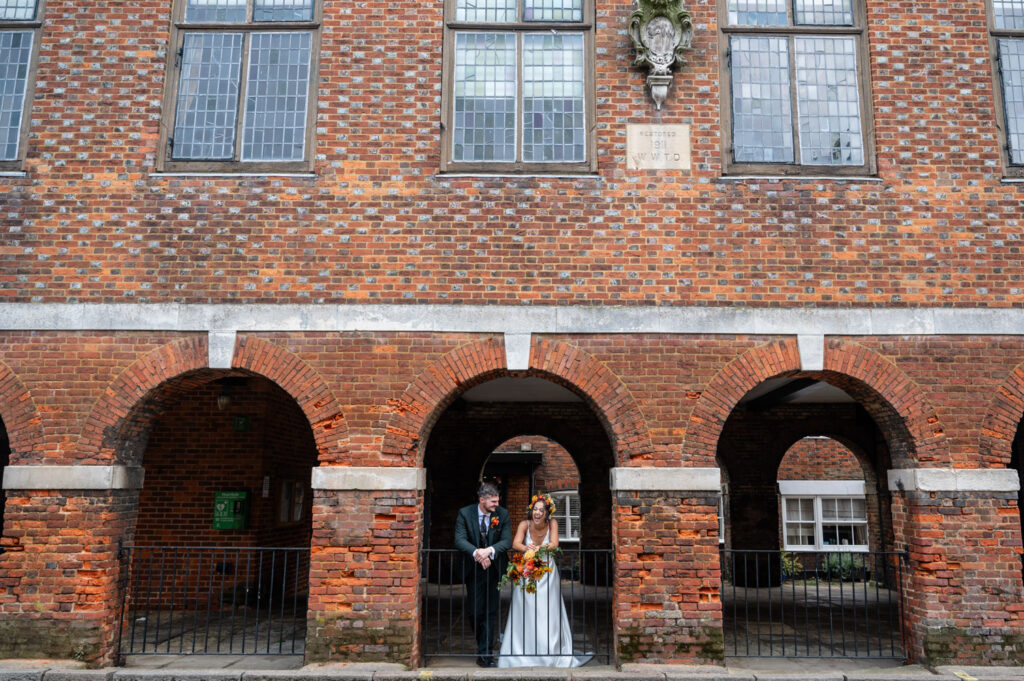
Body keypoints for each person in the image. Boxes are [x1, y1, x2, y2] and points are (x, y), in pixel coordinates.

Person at [498, 493, 591, 668]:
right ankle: (523, 649)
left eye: (541, 510)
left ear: (547, 513)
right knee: (526, 608)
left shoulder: (552, 524)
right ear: (531, 510)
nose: (537, 513)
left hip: (547, 572)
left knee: (547, 610)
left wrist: (539, 548)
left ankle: (549, 650)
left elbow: (554, 543)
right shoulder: (524, 524)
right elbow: (516, 543)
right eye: (535, 509)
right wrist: (527, 548)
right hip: (527, 571)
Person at [454, 482, 512, 667]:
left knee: (490, 611)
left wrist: (489, 551)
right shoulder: (465, 513)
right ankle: (483, 644)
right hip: (473, 570)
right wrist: (478, 554)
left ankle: (486, 653)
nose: (496, 505)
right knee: (475, 611)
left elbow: (507, 540)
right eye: (493, 502)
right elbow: (459, 539)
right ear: (482, 500)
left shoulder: (502, 514)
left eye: (497, 501)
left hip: (494, 569)